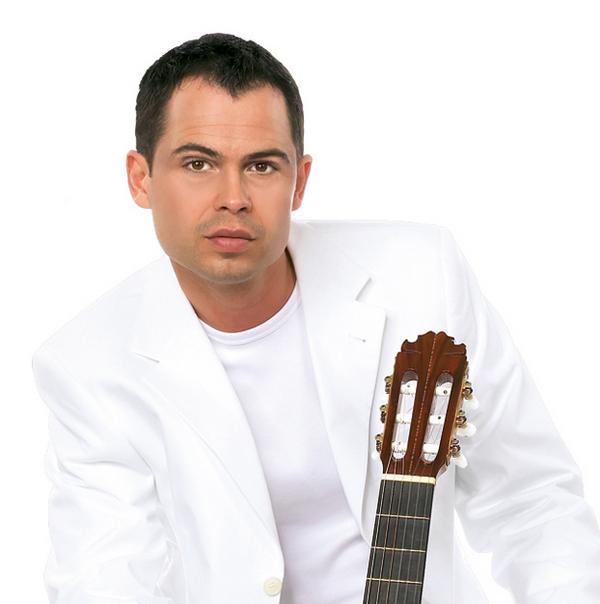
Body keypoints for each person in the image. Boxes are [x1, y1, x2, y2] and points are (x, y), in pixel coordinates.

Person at [31, 33, 600, 604]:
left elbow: (532, 502)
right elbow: (102, 580)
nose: (233, 197)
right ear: (141, 178)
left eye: (261, 166)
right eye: (198, 163)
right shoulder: (88, 366)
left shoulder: (422, 277)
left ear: (299, 181)